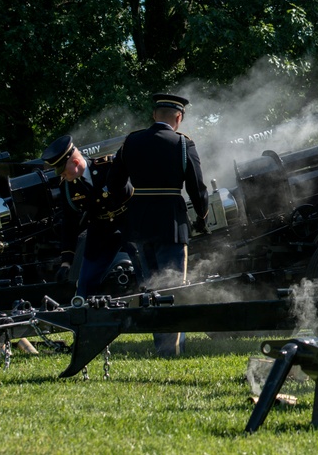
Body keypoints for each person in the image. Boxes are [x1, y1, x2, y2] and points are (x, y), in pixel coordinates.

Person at [107, 93, 209, 356]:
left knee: (149, 287)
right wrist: (202, 216)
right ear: (179, 117)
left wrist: (132, 201)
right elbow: (197, 187)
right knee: (172, 286)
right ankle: (170, 349)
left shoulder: (131, 141)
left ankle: (159, 343)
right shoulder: (183, 144)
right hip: (171, 225)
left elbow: (114, 183)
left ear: (154, 115)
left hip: (138, 225)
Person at [41, 135, 133, 297]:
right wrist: (66, 262)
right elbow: (69, 222)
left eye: (63, 171)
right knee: (85, 283)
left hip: (129, 222)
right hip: (101, 231)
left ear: (75, 162)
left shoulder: (108, 165)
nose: (62, 176)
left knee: (144, 270)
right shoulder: (68, 186)